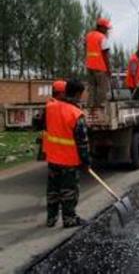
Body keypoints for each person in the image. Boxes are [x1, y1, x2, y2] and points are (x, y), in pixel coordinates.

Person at [45, 78, 90, 228]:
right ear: (78, 94)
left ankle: (51, 218)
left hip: (52, 158)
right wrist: (86, 161)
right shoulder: (76, 114)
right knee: (69, 191)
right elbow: (82, 143)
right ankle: (69, 219)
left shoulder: (50, 108)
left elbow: (42, 124)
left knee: (53, 190)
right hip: (69, 161)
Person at [36, 80, 67, 161]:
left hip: (50, 143)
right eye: (65, 93)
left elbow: (42, 123)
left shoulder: (49, 104)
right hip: (58, 143)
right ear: (61, 93)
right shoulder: (59, 107)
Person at [85, 17, 112, 106]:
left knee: (92, 88)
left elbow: (85, 48)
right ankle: (100, 108)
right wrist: (109, 69)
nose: (107, 30)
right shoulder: (102, 37)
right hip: (100, 67)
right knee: (102, 89)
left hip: (89, 67)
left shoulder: (88, 35)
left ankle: (90, 107)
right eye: (106, 28)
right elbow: (105, 54)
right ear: (101, 27)